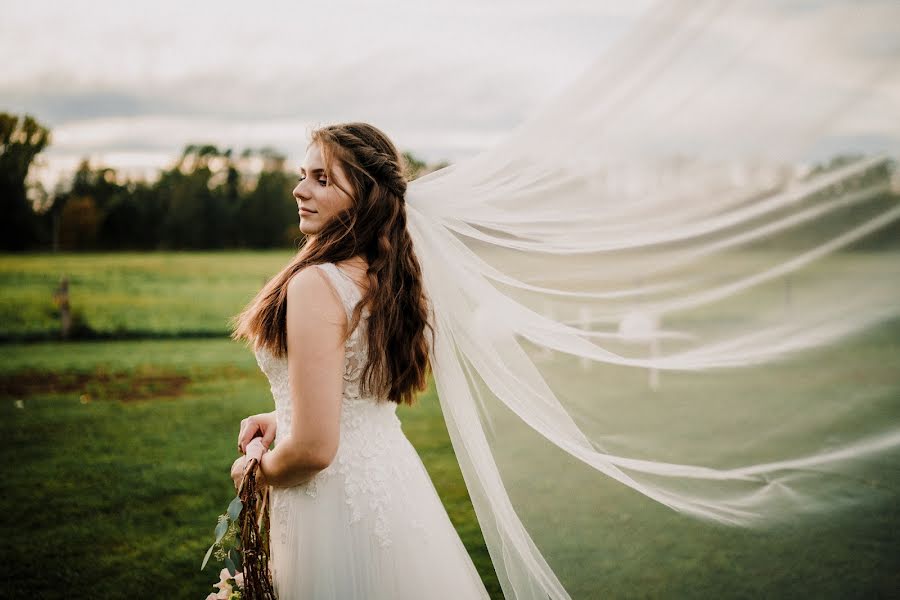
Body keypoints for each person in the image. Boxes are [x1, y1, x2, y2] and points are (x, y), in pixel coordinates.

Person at [229, 122, 490, 599]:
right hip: (392, 491)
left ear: (363, 198)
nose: (299, 188)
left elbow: (313, 450)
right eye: (303, 173)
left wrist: (254, 473)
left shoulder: (318, 283)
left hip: (331, 506)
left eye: (322, 179)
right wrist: (282, 416)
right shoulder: (389, 279)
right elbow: (355, 398)